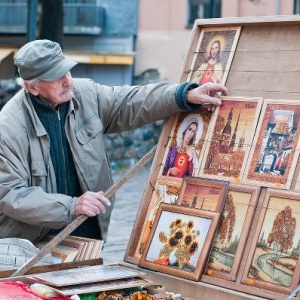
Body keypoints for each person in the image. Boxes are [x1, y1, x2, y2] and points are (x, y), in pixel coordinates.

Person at [0, 39, 227, 244]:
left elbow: (130, 102)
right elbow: (10, 194)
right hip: (33, 239)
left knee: (85, 288)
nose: (68, 81)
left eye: (67, 71)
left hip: (85, 225)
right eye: (56, 77)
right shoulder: (8, 127)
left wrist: (182, 95)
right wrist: (71, 206)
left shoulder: (86, 93)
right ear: (32, 87)